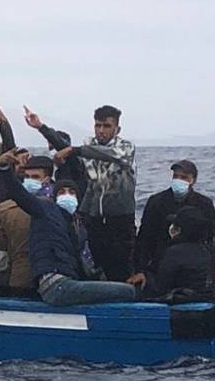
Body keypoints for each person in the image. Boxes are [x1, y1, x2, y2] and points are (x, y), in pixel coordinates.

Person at [0, 152, 137, 307]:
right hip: (55, 284)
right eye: (61, 192)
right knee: (128, 291)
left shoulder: (76, 225)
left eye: (71, 192)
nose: (67, 195)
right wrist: (5, 168)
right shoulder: (45, 209)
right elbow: (19, 194)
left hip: (70, 281)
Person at [25, 104, 136, 281]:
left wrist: (74, 150)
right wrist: (41, 127)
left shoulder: (126, 147)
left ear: (117, 129)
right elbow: (66, 149)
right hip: (92, 218)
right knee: (91, 268)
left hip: (120, 220)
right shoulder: (87, 146)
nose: (101, 131)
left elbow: (104, 153)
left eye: (107, 126)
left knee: (121, 269)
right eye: (98, 125)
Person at [134, 159, 215, 277]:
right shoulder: (157, 201)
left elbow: (214, 235)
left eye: (184, 177)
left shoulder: (204, 203)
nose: (178, 180)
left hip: (193, 263)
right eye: (175, 176)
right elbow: (145, 237)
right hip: (161, 262)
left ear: (193, 180)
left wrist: (207, 260)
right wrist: (140, 270)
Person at [0, 155, 53, 292]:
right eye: (27, 177)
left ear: (46, 179)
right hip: (50, 275)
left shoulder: (5, 208)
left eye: (35, 177)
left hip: (22, 275)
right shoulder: (57, 205)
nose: (30, 181)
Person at [130, 206, 215, 300]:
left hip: (177, 301)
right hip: (203, 298)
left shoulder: (174, 252)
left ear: (179, 230)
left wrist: (146, 277)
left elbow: (160, 287)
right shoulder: (210, 251)